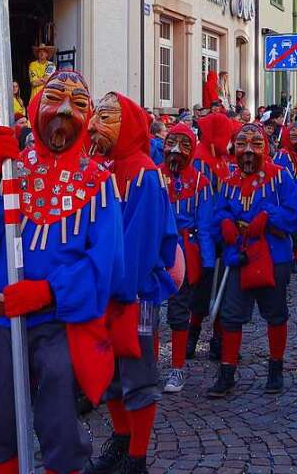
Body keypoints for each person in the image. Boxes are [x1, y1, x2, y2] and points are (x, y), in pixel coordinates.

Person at [0, 69, 124, 474]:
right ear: (35, 107)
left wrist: (49, 292)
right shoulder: (11, 171)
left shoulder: (98, 184)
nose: (65, 110)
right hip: (2, 318)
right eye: (55, 98)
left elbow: (107, 265)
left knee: (62, 427)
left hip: (60, 323)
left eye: (79, 104)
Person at [85, 92, 177, 474]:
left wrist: (117, 287)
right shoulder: (100, 168)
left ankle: (137, 457)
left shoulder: (143, 173)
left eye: (106, 118)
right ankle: (121, 441)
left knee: (137, 373)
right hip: (102, 290)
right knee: (110, 374)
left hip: (133, 292)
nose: (93, 125)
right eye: (96, 117)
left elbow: (140, 241)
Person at [207, 123, 297, 400]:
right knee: (231, 315)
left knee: (275, 313)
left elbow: (293, 217)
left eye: (255, 145)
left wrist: (267, 216)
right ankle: (227, 371)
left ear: (266, 148)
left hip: (273, 258)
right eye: (242, 145)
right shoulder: (229, 180)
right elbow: (218, 211)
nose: (248, 152)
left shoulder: (280, 177)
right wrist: (224, 222)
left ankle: (275, 368)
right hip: (239, 256)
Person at [159, 123, 215, 394]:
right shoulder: (154, 177)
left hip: (184, 250)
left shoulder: (200, 182)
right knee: (147, 309)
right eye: (171, 143)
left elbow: (204, 224)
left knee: (179, 312)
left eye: (183, 144)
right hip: (156, 249)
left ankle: (177, 367)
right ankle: (147, 366)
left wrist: (207, 261)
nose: (175, 151)